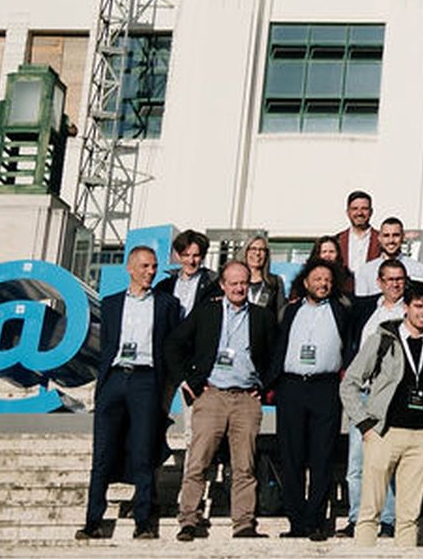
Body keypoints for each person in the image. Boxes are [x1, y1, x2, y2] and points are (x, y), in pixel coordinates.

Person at [166, 261, 276, 541]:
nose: (239, 288)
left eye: (243, 283)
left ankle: (244, 523)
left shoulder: (262, 317)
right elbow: (174, 343)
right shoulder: (207, 311)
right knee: (198, 461)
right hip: (211, 395)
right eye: (233, 283)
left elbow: (276, 355)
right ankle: (189, 519)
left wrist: (264, 386)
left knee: (244, 465)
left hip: (246, 398)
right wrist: (186, 380)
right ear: (223, 286)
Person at [79, 246, 179, 541]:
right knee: (103, 451)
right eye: (145, 266)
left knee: (144, 450)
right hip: (114, 378)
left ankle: (143, 521)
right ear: (130, 268)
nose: (151, 272)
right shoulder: (110, 304)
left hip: (146, 380)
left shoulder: (166, 304)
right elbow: (106, 344)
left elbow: (171, 345)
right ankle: (93, 521)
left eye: (154, 267)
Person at [339, 281, 423, 548]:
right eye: (418, 306)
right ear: (406, 308)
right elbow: (350, 383)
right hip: (384, 433)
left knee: (409, 515)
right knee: (370, 510)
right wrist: (365, 424)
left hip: (422, 437)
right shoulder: (382, 340)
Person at [269, 258, 355, 541]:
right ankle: (296, 521)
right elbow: (277, 345)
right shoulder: (290, 310)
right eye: (317, 279)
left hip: (325, 388)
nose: (323, 284)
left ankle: (316, 520)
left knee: (322, 457)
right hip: (292, 387)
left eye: (327, 280)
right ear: (306, 282)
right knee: (291, 456)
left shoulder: (342, 311)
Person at [344, 257, 408, 536]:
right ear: (379, 282)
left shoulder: (411, 311)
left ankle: (388, 520)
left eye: (399, 279)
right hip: (364, 395)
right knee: (357, 463)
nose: (395, 284)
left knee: (389, 462)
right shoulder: (366, 309)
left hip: (393, 397)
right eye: (389, 279)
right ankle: (357, 518)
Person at [354, 217, 423, 296]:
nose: (391, 240)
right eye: (386, 236)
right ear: (379, 238)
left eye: (396, 235)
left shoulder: (418, 269)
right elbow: (361, 301)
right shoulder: (365, 271)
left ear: (403, 237)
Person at [168, 229, 219, 316]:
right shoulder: (166, 285)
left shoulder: (213, 284)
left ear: (203, 256)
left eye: (196, 255)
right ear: (178, 256)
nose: (191, 261)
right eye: (186, 255)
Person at [336, 191, 382, 269]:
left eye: (364, 209)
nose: (359, 213)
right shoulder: (338, 240)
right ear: (348, 212)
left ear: (371, 212)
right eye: (355, 209)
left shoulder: (381, 239)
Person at [241, 236, 285, 314]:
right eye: (253, 249)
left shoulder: (275, 281)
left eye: (262, 250)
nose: (257, 253)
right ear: (246, 252)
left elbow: (280, 313)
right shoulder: (235, 280)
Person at [305, 235, 354, 300]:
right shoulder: (307, 273)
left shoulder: (346, 275)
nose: (327, 255)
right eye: (324, 252)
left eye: (331, 252)